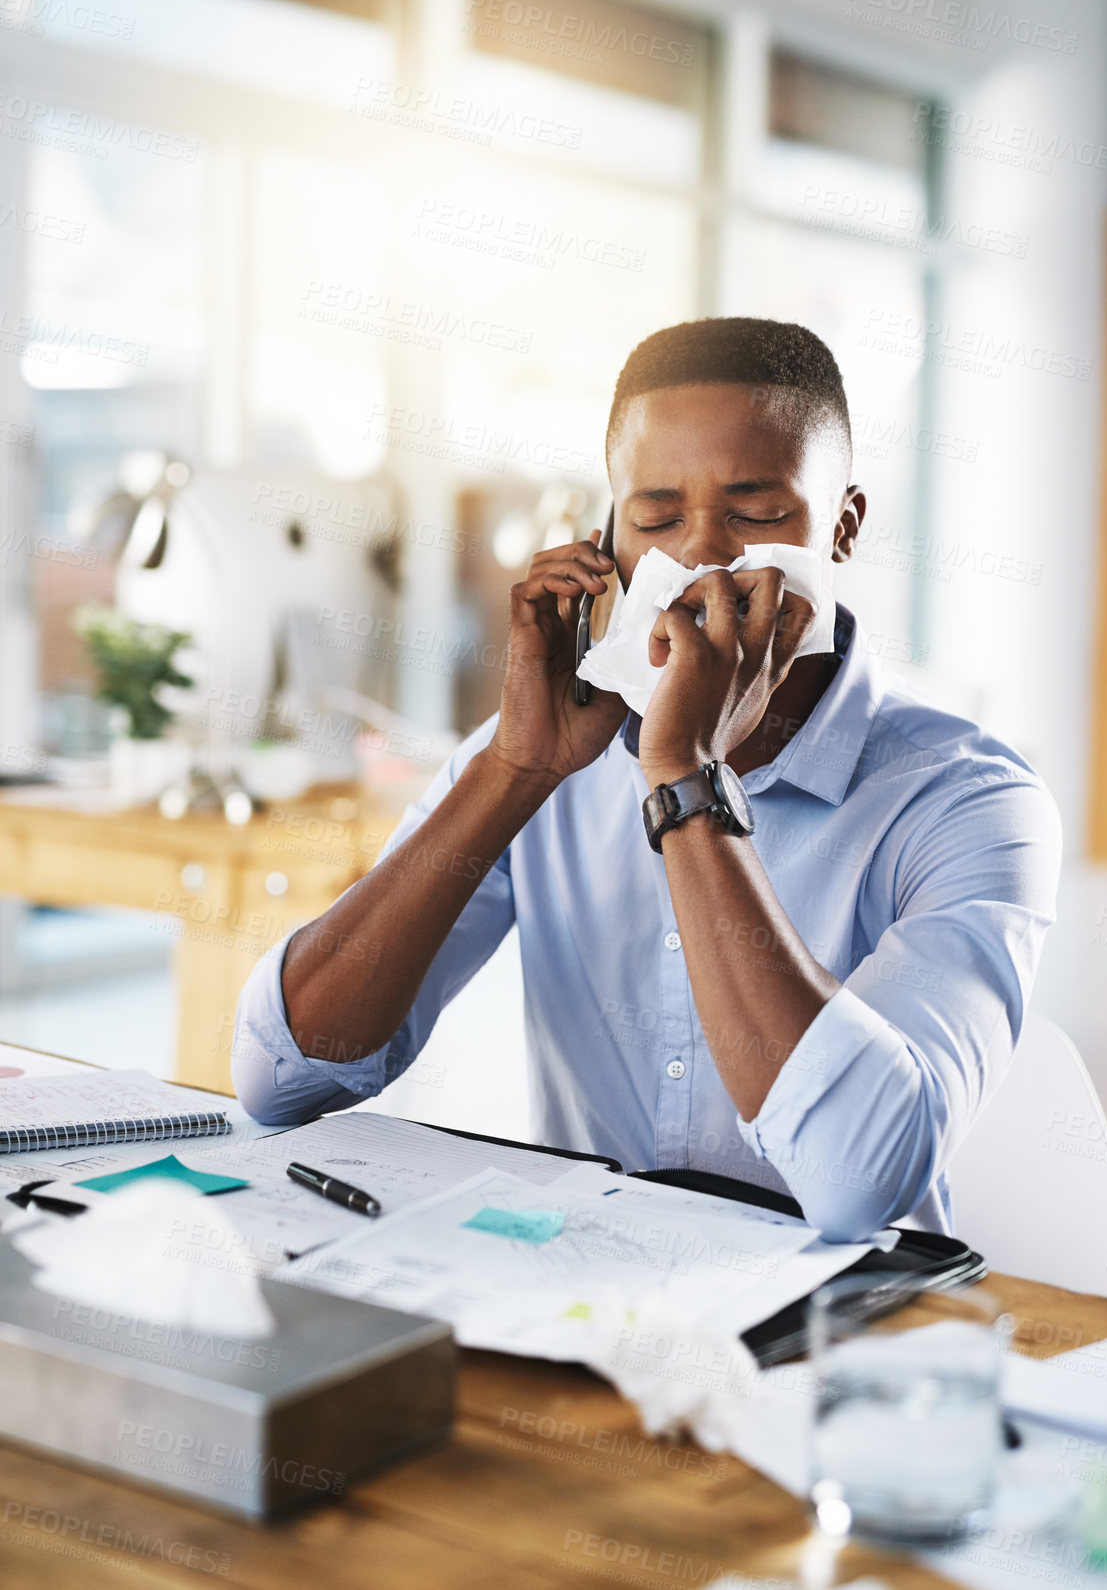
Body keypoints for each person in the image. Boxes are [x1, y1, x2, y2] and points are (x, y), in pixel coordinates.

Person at [233, 317, 1061, 1240]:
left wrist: (686, 777)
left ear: (843, 529)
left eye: (754, 514)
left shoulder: (972, 803)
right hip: (590, 1295)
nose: (700, 557)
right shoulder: (541, 756)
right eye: (657, 518)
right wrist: (513, 771)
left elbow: (856, 1185)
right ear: (607, 541)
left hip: (842, 1327)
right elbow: (283, 1078)